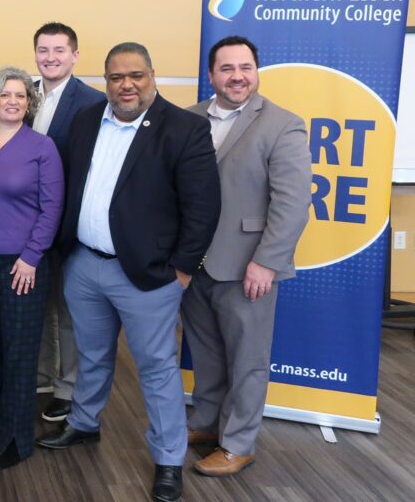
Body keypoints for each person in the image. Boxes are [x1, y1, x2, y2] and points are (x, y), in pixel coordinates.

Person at [36, 42, 221, 502]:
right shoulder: (85, 122)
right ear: (105, 80)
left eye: (136, 75)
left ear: (152, 75)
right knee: (92, 355)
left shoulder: (184, 129)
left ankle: (167, 460)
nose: (127, 85)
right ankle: (83, 424)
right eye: (117, 77)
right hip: (85, 265)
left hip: (149, 277)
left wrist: (180, 271)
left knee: (156, 369)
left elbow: (203, 209)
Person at [182, 36, 311, 477]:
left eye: (245, 67)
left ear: (257, 70)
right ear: (212, 73)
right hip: (194, 263)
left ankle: (238, 443)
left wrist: (267, 261)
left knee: (247, 360)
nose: (237, 76)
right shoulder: (190, 118)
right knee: (206, 353)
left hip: (247, 265)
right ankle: (205, 423)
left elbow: (292, 203)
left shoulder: (283, 125)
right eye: (227, 68)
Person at [0, 67, 63, 470]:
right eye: (5, 94)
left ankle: (19, 438)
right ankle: (2, 416)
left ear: (29, 102)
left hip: (24, 265)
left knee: (21, 352)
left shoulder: (42, 147)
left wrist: (31, 256)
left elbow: (52, 207)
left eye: (21, 95)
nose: (12, 101)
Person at [30, 22, 105, 423]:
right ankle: (41, 378)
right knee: (37, 306)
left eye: (59, 50)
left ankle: (68, 387)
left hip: (69, 228)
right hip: (28, 228)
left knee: (70, 313)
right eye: (43, 50)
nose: (51, 57)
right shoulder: (21, 96)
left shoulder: (93, 102)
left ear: (75, 55)